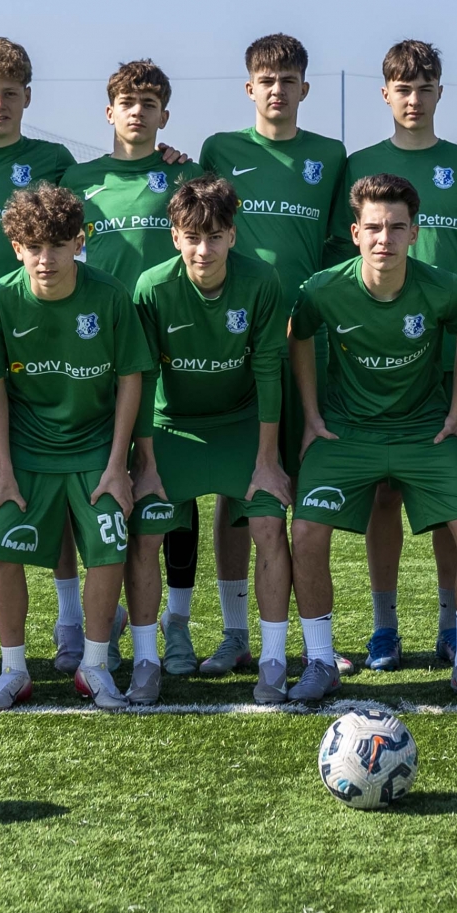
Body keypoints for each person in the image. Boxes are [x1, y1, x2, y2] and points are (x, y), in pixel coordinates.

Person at [0, 37, 107, 674]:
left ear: (27, 97)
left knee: (47, 476)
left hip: (35, 331)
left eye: (11, 93)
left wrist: (169, 156)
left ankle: (68, 617)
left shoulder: (54, 160)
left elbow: (97, 197)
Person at [289, 173, 457, 703]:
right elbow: (299, 336)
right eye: (374, 228)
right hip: (346, 432)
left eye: (397, 228)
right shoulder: (322, 288)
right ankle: (320, 661)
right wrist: (311, 415)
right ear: (355, 232)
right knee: (306, 533)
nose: (385, 239)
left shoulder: (444, 287)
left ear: (414, 233)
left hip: (425, 431)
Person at [327, 40, 457, 672]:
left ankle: (452, 626)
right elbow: (338, 257)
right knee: (383, 497)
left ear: (440, 93)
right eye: (403, 88)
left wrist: (453, 297)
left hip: (448, 359)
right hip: (374, 359)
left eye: (425, 88)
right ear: (385, 94)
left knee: (454, 502)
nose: (414, 99)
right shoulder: (360, 164)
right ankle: (385, 627)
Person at [197, 33, 348, 677]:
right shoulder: (219, 151)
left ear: (304, 88)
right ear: (249, 88)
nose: (278, 90)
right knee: (240, 491)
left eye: (288, 80)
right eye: (266, 80)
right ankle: (236, 633)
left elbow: (340, 245)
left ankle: (316, 638)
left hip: (308, 343)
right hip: (237, 343)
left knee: (311, 490)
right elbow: (196, 221)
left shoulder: (330, 156)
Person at [0, 183, 153, 712]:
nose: (45, 259)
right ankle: (13, 671)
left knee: (108, 546)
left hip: (95, 447)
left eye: (57, 245)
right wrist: (3, 468)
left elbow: (130, 378)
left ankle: (94, 665)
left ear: (79, 242)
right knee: (2, 547)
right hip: (28, 451)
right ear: (17, 248)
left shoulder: (110, 296)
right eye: (33, 247)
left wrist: (118, 464)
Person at [60, 59, 202, 675]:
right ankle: (91, 621)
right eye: (127, 102)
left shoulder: (184, 176)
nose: (137, 112)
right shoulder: (77, 179)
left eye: (149, 103)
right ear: (109, 112)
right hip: (97, 352)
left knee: (173, 489)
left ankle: (177, 621)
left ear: (164, 115)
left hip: (172, 350)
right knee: (96, 486)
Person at [130, 175, 294, 703]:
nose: (205, 250)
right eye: (193, 237)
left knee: (269, 525)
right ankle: (146, 660)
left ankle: (272, 660)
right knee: (146, 532)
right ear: (175, 237)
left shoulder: (262, 281)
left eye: (216, 236)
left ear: (233, 236)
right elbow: (143, 377)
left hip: (240, 423)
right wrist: (145, 461)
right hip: (172, 424)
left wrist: (267, 460)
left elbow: (269, 372)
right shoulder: (152, 287)